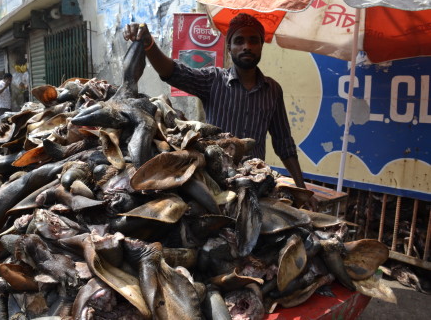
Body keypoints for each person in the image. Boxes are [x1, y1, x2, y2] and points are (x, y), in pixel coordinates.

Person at [123, 14, 317, 209]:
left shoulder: (273, 90)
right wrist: (149, 45)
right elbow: (173, 72)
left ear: (261, 46)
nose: (246, 46)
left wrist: (303, 191)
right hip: (214, 183)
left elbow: (284, 142)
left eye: (253, 40)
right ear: (229, 47)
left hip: (255, 182)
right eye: (239, 41)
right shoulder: (213, 80)